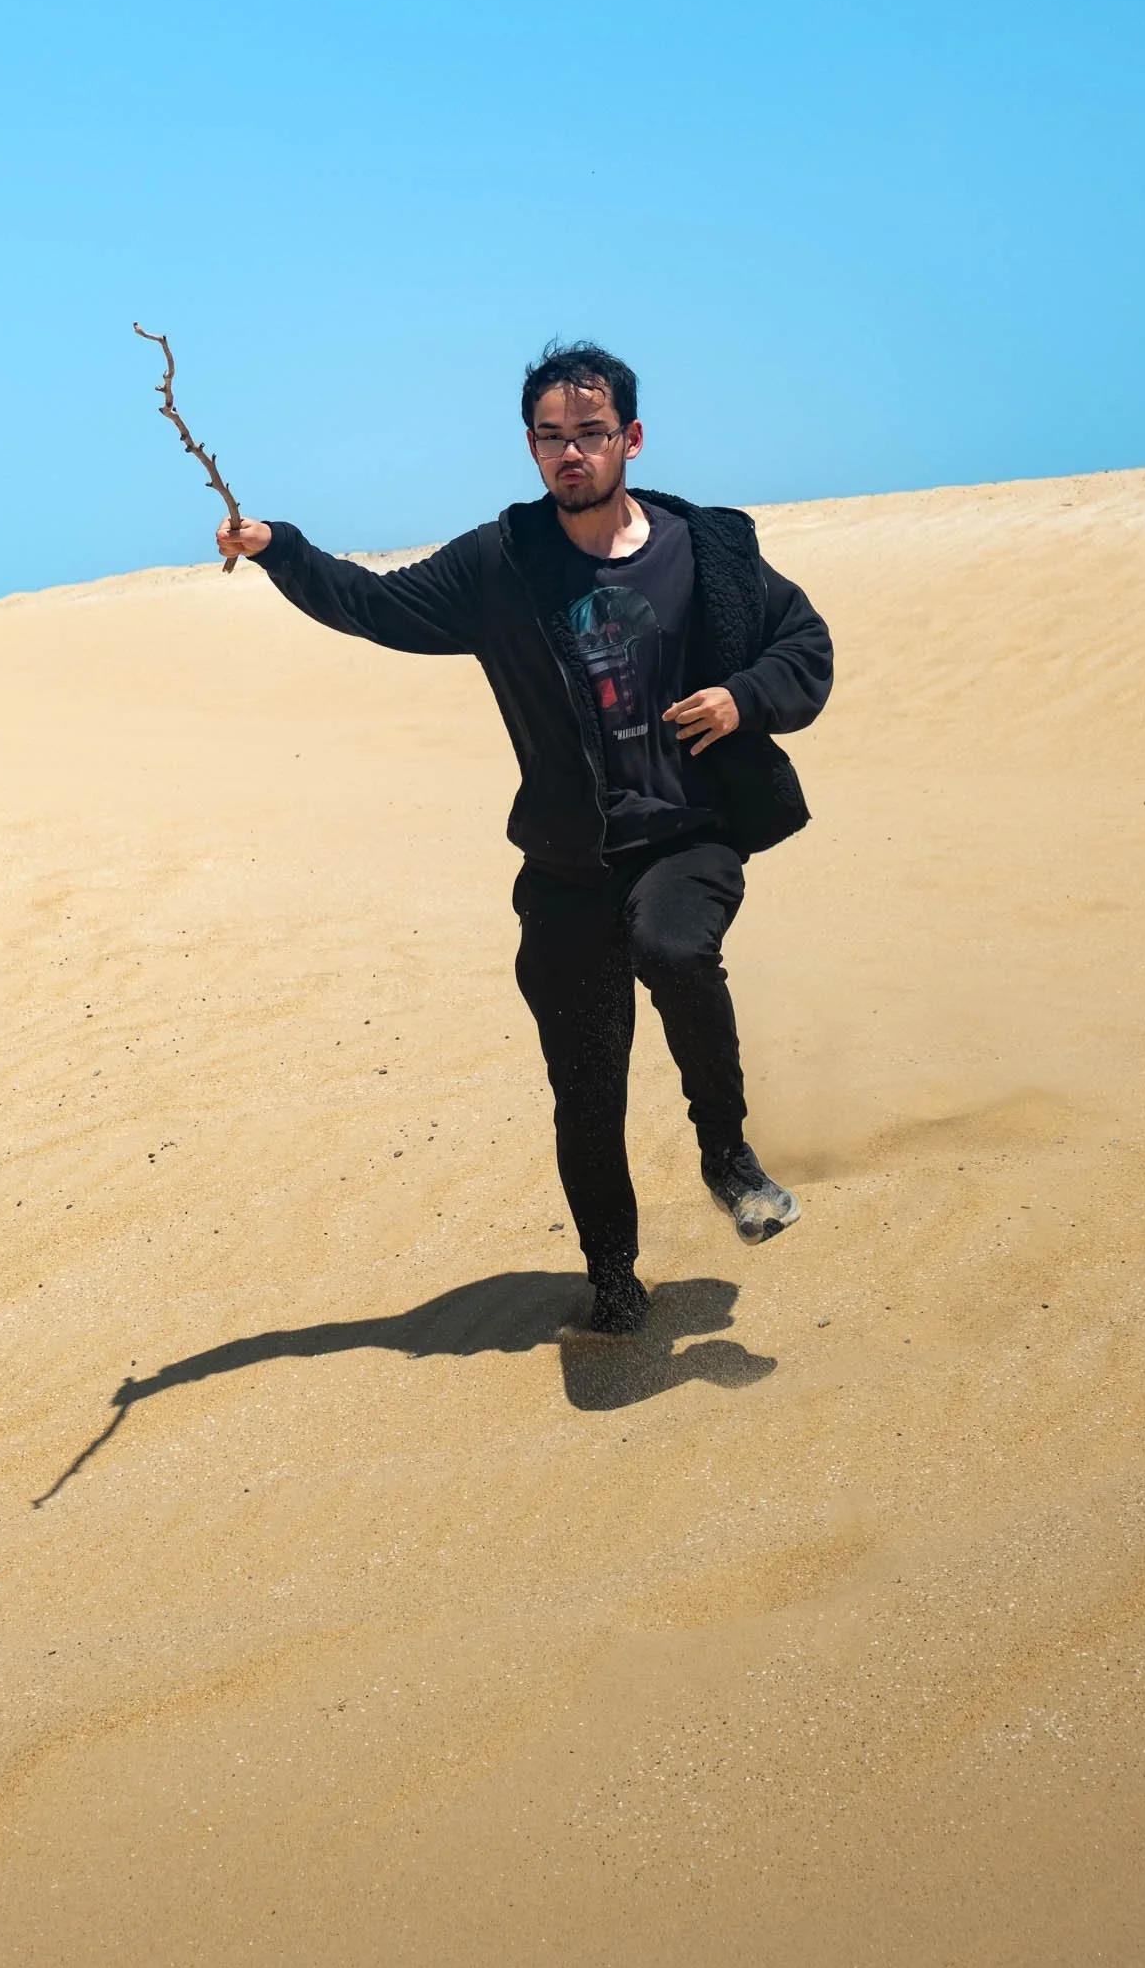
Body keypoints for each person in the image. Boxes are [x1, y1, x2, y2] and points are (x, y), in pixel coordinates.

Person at [216, 342, 834, 1335]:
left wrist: (739, 695)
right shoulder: (501, 563)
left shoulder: (707, 547)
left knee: (674, 944)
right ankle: (613, 1282)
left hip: (686, 834)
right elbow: (375, 606)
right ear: (530, 449)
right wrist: (280, 546)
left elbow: (802, 643)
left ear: (628, 437)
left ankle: (727, 1158)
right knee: (583, 1088)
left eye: (589, 434)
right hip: (566, 866)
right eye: (550, 438)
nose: (569, 455)